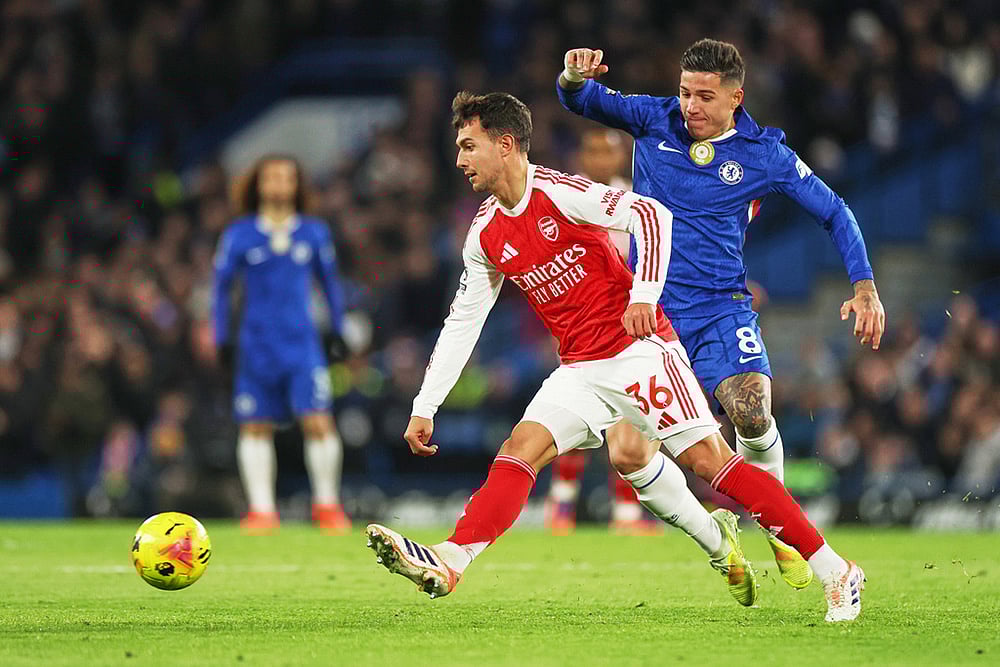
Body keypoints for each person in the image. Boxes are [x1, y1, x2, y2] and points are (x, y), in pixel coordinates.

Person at [366, 91, 865, 623]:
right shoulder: (485, 232)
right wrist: (426, 404)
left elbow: (652, 217)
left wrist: (644, 296)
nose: (460, 159)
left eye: (469, 146)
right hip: (579, 368)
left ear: (505, 144)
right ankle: (450, 559)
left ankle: (838, 571)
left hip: (639, 353)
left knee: (711, 464)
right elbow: (463, 320)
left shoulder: (560, 193)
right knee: (521, 447)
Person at [556, 39, 886, 589]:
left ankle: (781, 532)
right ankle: (716, 538)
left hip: (719, 308)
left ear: (736, 97)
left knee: (752, 411)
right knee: (628, 454)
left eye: (705, 96)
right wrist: (570, 77)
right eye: (685, 92)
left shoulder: (764, 155)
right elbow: (579, 100)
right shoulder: (651, 118)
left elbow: (834, 210)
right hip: (649, 313)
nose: (690, 106)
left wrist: (865, 285)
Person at [213, 155, 350, 535]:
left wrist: (338, 330)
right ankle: (262, 510)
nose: (278, 184)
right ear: (258, 184)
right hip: (255, 347)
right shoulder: (239, 234)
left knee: (319, 421)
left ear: (297, 185)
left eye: (286, 177)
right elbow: (221, 291)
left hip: (301, 345)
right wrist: (220, 337)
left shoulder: (314, 233)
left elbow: (331, 285)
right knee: (254, 426)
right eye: (271, 177)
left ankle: (327, 505)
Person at [545, 127, 660, 536]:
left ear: (620, 156)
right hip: (579, 319)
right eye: (591, 150)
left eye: (607, 151)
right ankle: (561, 503)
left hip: (628, 320)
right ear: (581, 155)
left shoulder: (636, 202)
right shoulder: (566, 199)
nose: (599, 160)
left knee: (631, 413)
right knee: (578, 412)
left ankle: (625, 515)